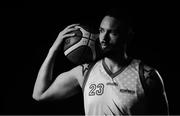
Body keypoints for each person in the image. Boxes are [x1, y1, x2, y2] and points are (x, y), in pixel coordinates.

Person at [32, 8, 169, 115]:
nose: (104, 38)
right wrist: (53, 50)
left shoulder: (146, 76)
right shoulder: (85, 72)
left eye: (112, 33)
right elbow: (39, 94)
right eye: (101, 30)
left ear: (128, 36)